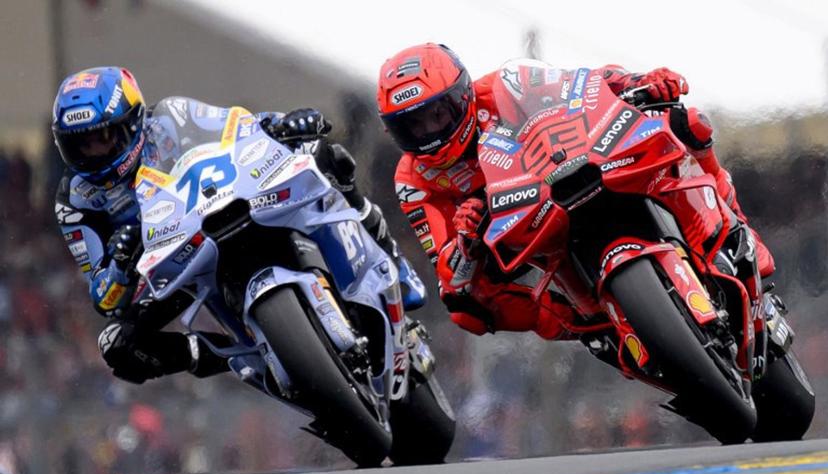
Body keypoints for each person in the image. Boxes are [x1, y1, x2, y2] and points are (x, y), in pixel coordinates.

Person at [53, 66, 424, 385]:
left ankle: (394, 265)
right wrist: (120, 263)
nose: (94, 152)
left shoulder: (172, 118)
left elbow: (239, 125)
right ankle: (228, 358)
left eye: (103, 137)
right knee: (117, 345)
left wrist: (282, 124)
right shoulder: (74, 200)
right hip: (169, 264)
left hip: (224, 207)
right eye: (80, 145)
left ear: (132, 120)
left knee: (326, 155)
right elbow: (104, 298)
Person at [376, 43, 775, 337]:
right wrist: (465, 243)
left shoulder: (505, 85)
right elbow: (450, 279)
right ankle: (585, 327)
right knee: (467, 311)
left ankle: (734, 228)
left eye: (436, 115)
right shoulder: (413, 180)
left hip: (571, 170)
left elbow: (584, 85)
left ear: (461, 95)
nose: (428, 133)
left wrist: (641, 82)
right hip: (522, 233)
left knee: (688, 121)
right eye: (412, 126)